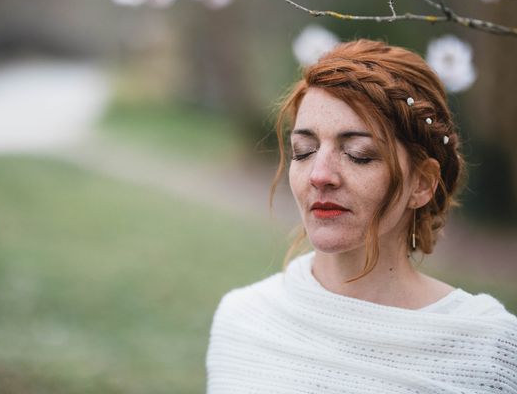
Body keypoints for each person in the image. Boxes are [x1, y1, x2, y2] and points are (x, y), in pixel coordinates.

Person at [205, 39, 517, 393]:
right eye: (304, 151)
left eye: (358, 154)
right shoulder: (242, 320)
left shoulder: (488, 352)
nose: (319, 175)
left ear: (422, 183)